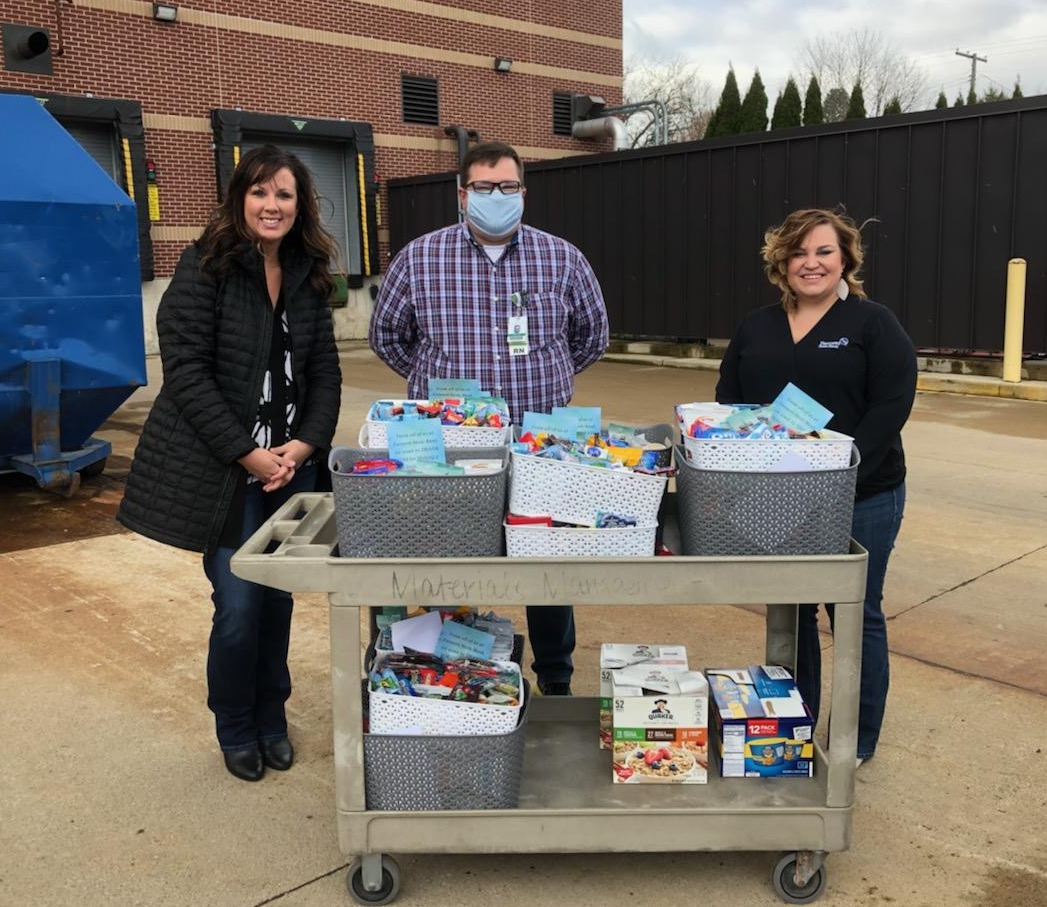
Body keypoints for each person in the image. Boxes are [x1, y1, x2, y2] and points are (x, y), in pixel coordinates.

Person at [117, 145, 342, 782]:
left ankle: (272, 717)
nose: (272, 205)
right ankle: (235, 726)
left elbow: (324, 374)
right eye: (260, 192)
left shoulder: (308, 271)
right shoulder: (205, 266)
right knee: (239, 609)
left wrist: (300, 449)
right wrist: (249, 454)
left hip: (291, 473)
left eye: (285, 195)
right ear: (240, 198)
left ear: (301, 207)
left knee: (278, 606)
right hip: (227, 473)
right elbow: (185, 374)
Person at [369, 141, 609, 696]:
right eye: (483, 187)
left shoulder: (562, 258)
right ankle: (450, 676)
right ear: (462, 194)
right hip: (448, 449)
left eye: (507, 187)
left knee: (546, 557)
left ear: (524, 193)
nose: (495, 197)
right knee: (448, 556)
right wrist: (438, 386)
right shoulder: (420, 257)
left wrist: (549, 377)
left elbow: (592, 337)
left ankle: (555, 675)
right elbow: (387, 335)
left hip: (541, 441)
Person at [715, 207, 916, 767]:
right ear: (781, 262)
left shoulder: (873, 324)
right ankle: (793, 723)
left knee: (854, 612)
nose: (811, 263)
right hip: (778, 495)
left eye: (824, 252)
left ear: (846, 259)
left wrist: (841, 465)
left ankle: (857, 737)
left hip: (863, 493)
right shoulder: (757, 325)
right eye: (799, 253)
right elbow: (730, 399)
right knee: (792, 609)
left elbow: (892, 403)